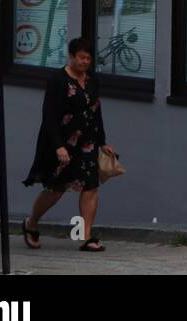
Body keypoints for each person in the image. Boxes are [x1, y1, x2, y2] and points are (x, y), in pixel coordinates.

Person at [21, 37, 117, 252]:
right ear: (71, 57)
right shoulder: (58, 80)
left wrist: (102, 142)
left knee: (90, 186)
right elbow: (49, 116)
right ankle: (31, 223)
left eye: (88, 58)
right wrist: (58, 146)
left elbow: (96, 110)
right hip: (63, 141)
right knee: (56, 189)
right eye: (81, 57)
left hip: (87, 142)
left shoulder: (92, 79)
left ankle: (86, 236)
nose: (85, 62)